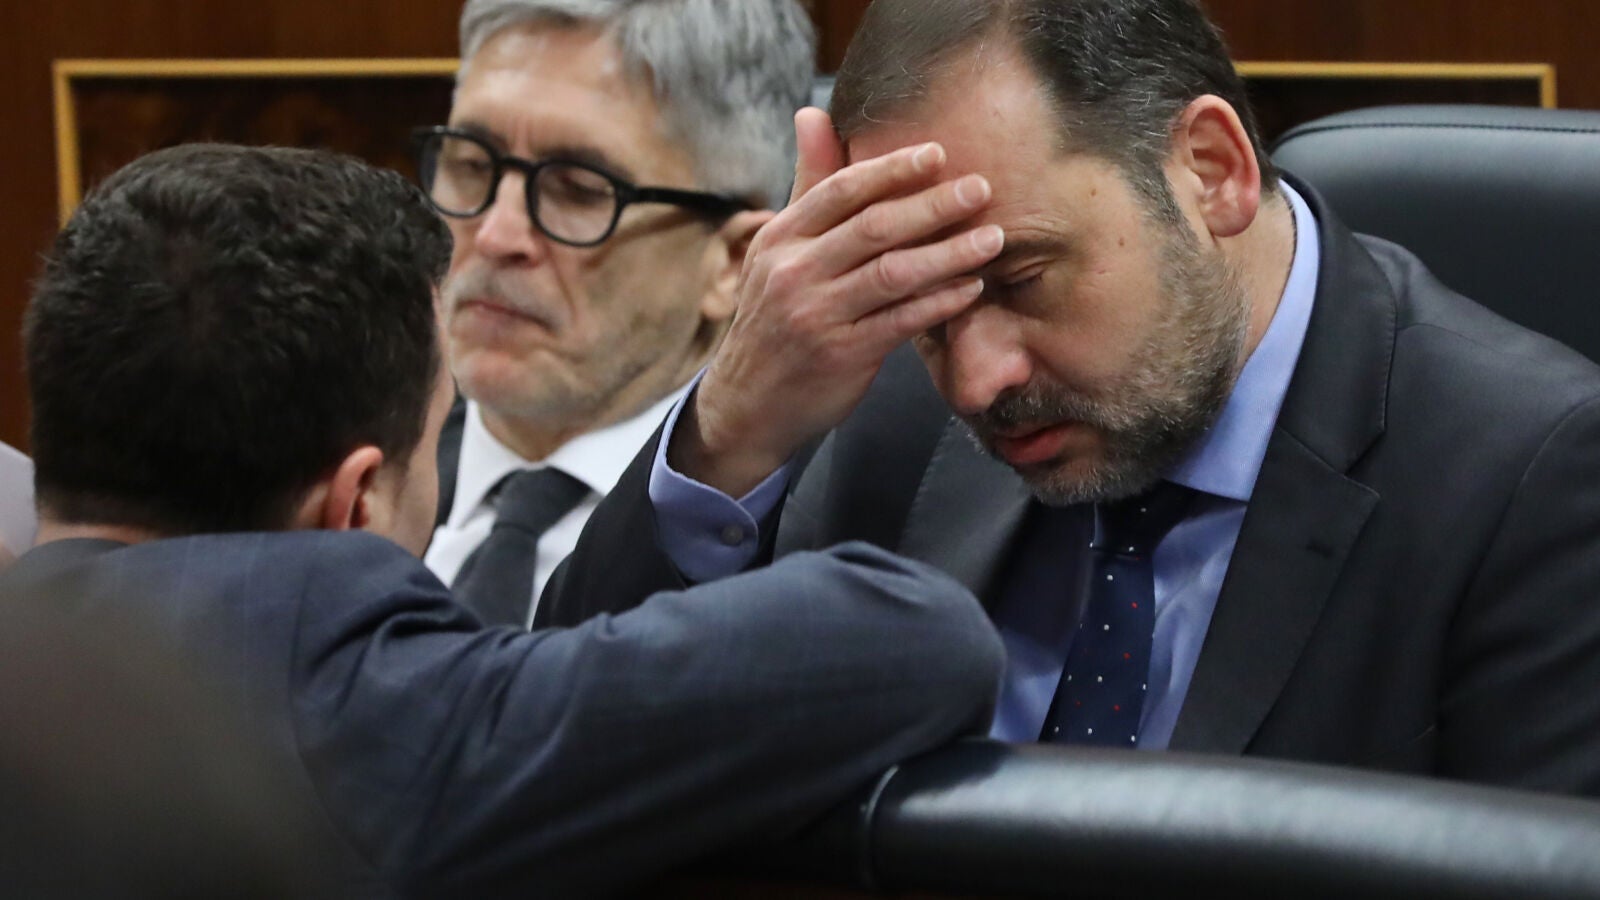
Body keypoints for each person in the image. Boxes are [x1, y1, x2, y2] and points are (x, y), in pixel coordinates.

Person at [548, 0, 1600, 798]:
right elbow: (564, 771)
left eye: (1019, 281)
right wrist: (732, 430)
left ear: (1211, 171)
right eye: (931, 311)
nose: (977, 382)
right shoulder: (874, 395)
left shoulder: (1534, 476)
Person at [1, 143, 1004, 896]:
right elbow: (918, 637)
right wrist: (735, 422)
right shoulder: (377, 718)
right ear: (354, 501)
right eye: (437, 432)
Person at [419, 0, 815, 628]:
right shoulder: (322, 478)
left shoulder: (814, 552)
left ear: (733, 261)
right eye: (472, 164)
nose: (496, 235)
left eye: (578, 190)